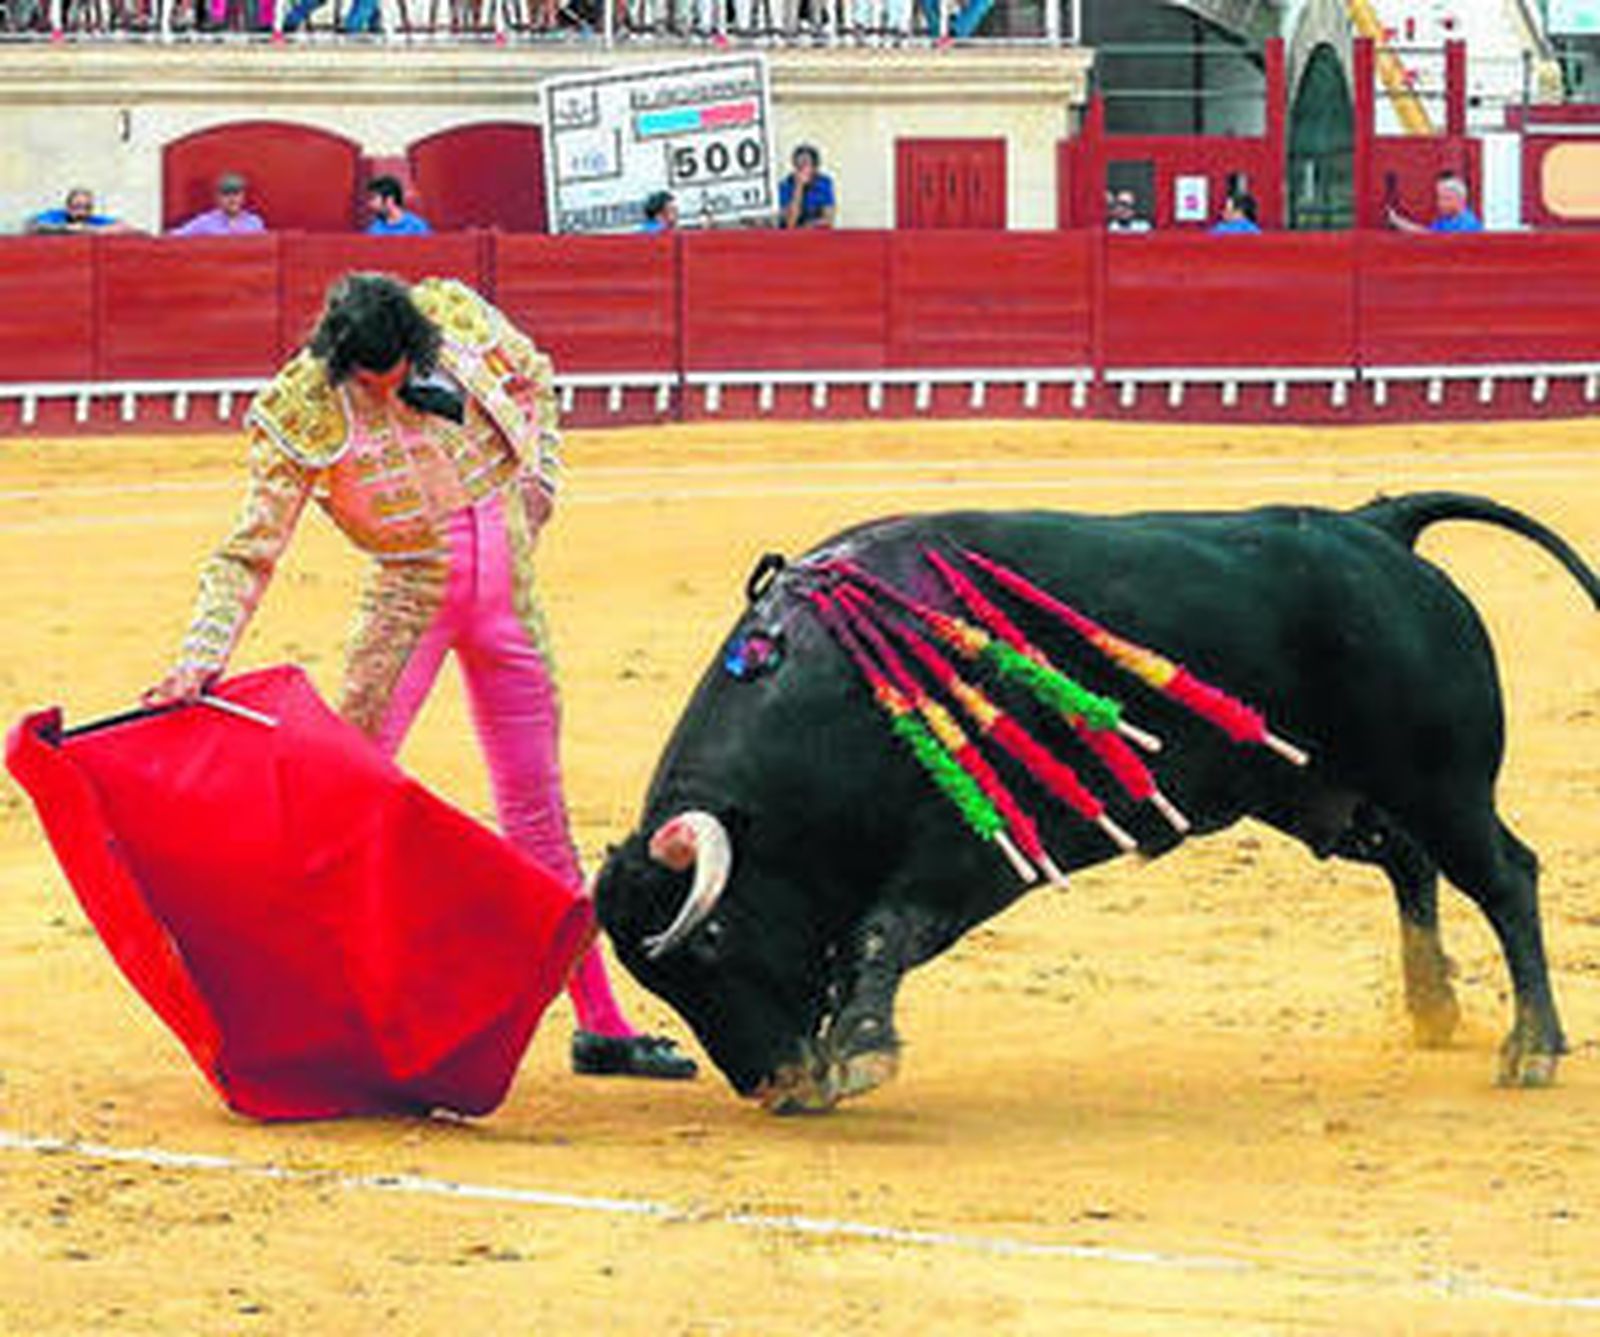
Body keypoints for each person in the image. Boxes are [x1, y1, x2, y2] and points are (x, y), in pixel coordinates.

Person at [143, 273, 697, 1082]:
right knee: (342, 806)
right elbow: (249, 548)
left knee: (540, 814)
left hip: (511, 602)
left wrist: (541, 481)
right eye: (370, 382)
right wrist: (200, 654)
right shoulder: (304, 404)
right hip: (408, 606)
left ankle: (602, 1024)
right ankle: (319, 1007)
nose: (388, 391)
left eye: (398, 373)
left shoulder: (456, 317)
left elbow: (535, 373)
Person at [170, 172, 266, 236]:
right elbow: (176, 236)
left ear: (243, 196)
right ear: (218, 198)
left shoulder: (254, 222)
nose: (232, 199)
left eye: (236, 193)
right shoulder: (205, 222)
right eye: (226, 193)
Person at [1388, 173, 1484, 234]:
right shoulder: (1445, 220)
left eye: (1445, 199)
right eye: (1439, 198)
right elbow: (1428, 234)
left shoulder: (1468, 223)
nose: (1440, 203)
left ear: (1459, 200)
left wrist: (1400, 223)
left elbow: (1433, 239)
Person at [26, 187, 135, 235]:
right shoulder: (56, 216)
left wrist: (88, 229)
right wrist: (66, 228)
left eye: (86, 208)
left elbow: (125, 227)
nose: (81, 212)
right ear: (68, 207)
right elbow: (33, 225)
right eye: (77, 207)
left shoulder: (92, 221)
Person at [778, 144, 836, 230]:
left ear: (815, 167)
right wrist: (799, 187)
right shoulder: (786, 185)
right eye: (799, 166)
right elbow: (790, 223)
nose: (803, 170)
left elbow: (828, 219)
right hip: (792, 235)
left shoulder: (823, 183)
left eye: (807, 165)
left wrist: (810, 225)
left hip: (815, 232)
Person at [365, 175, 432, 236]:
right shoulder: (374, 230)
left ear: (389, 199)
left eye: (373, 198)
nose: (370, 204)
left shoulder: (417, 227)